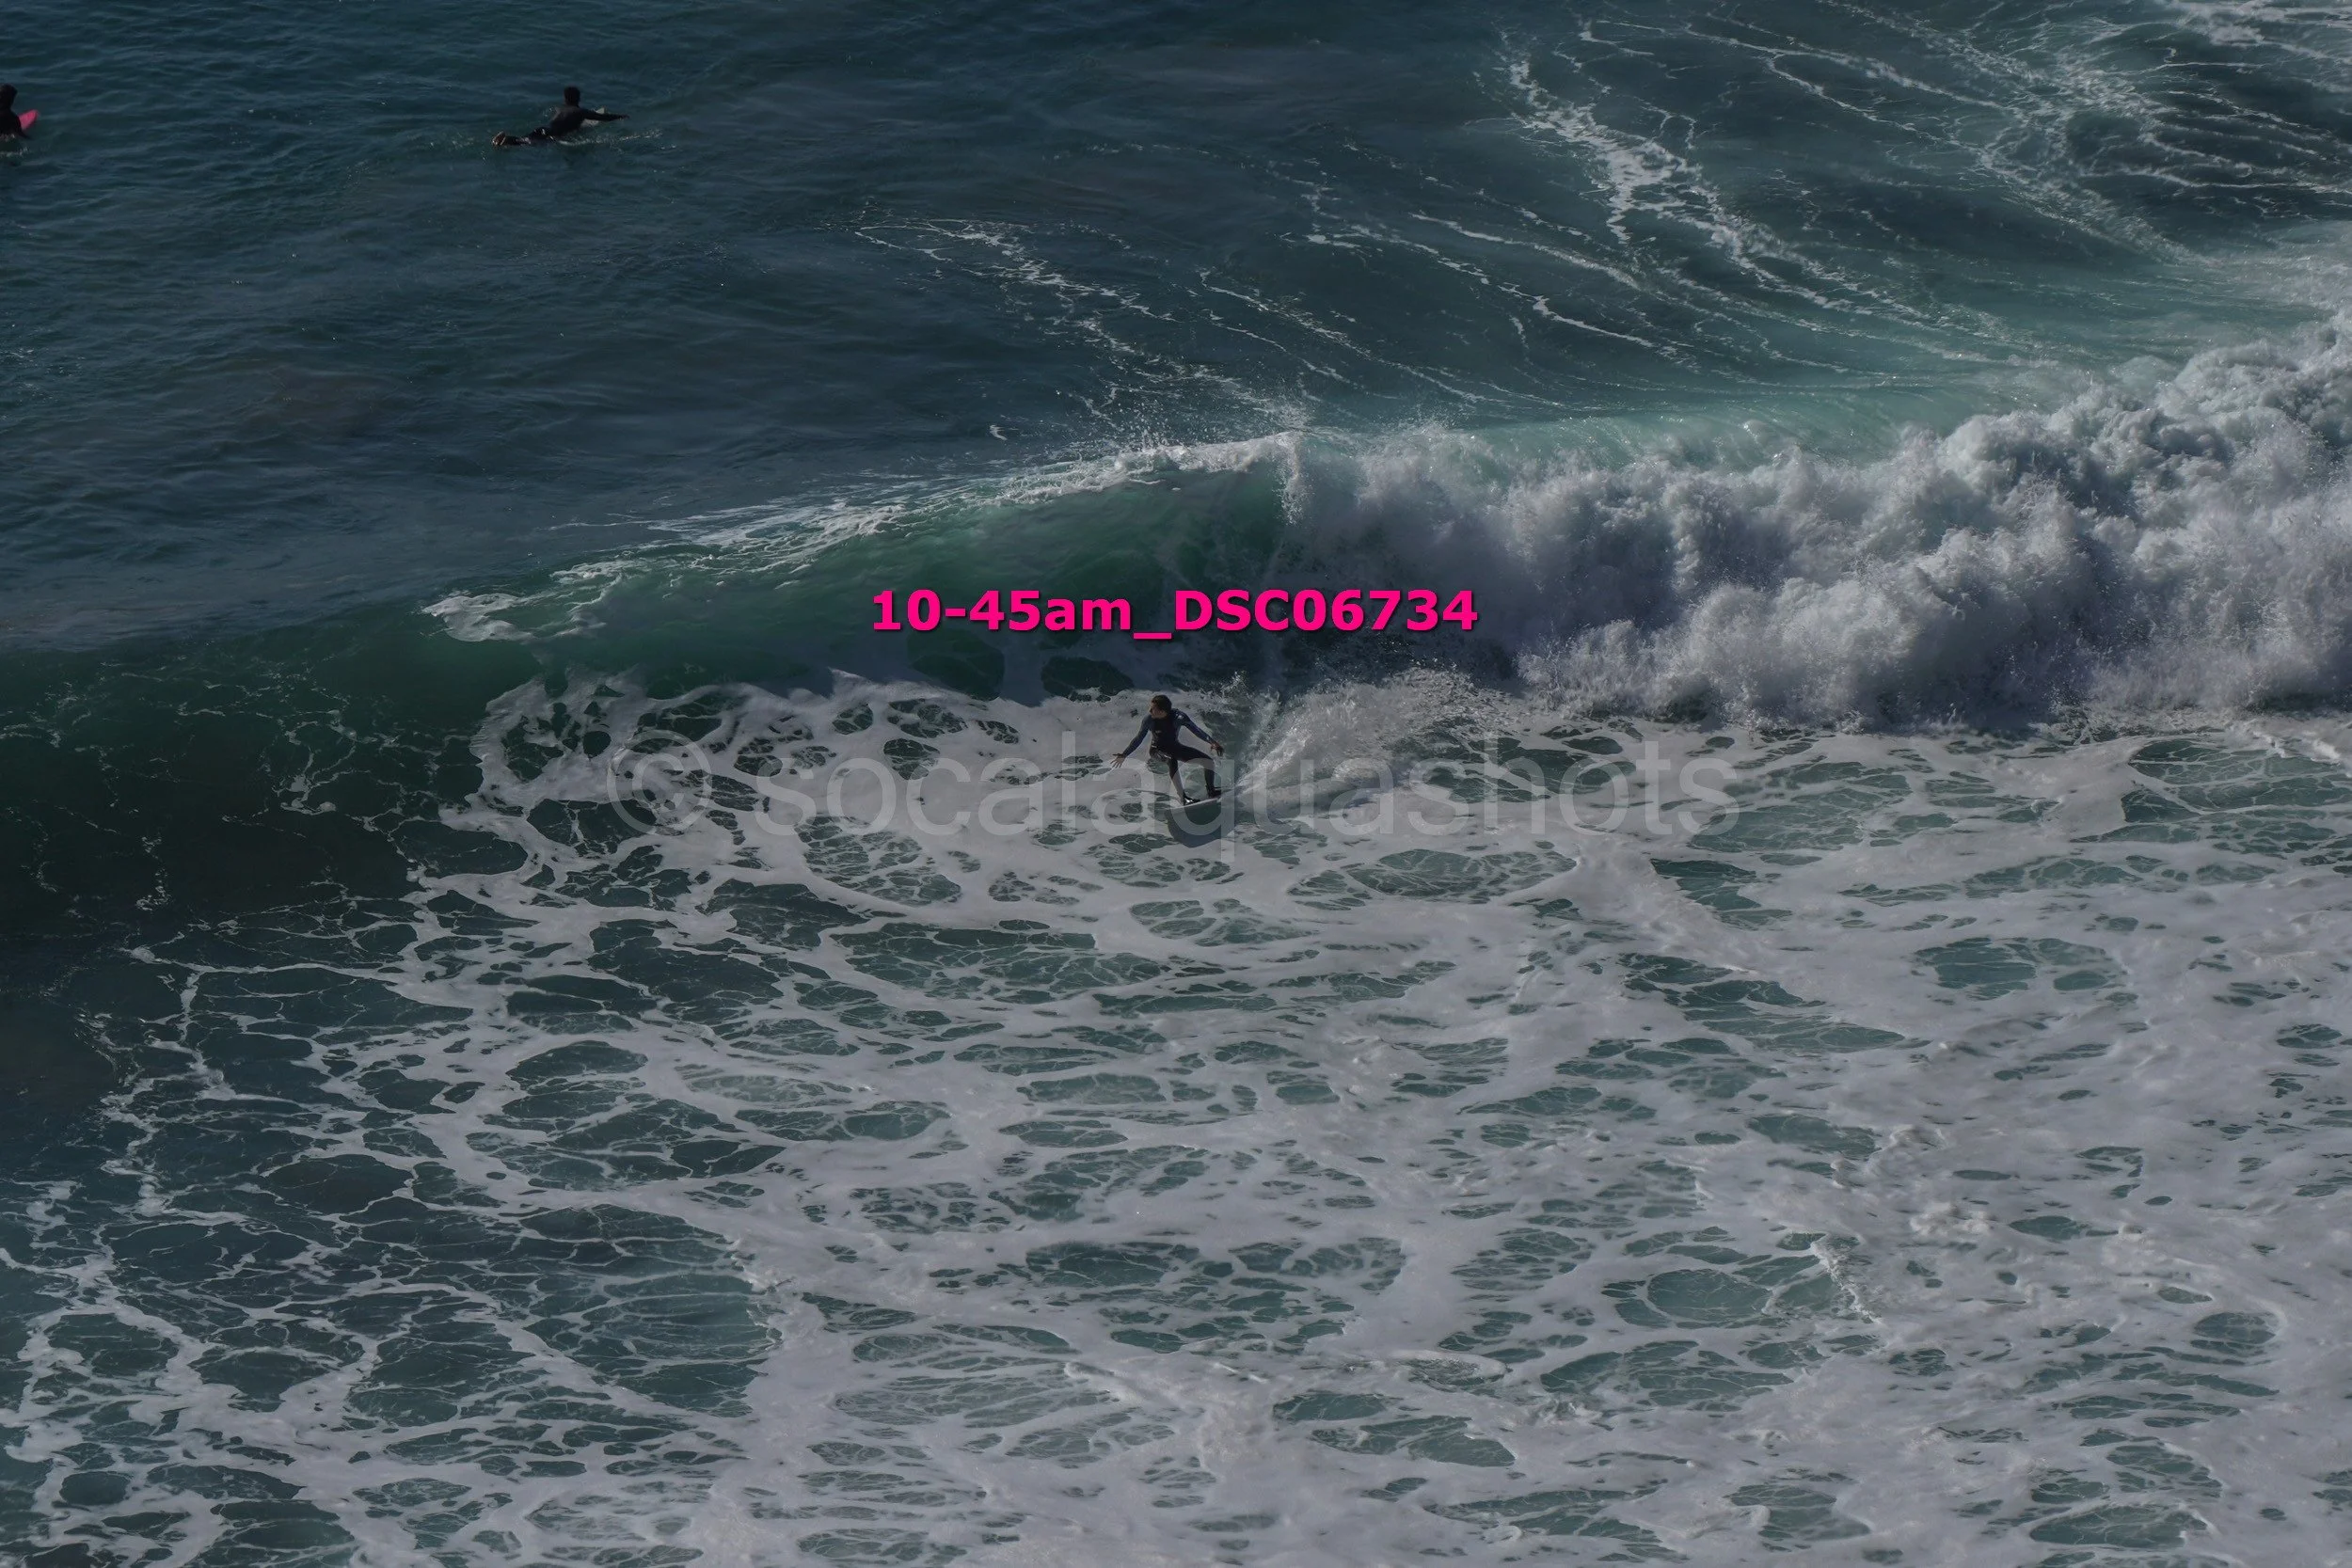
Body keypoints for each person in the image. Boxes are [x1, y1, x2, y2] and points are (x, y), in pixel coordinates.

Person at [1114, 695, 1223, 803]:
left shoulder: (1179, 717)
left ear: (1162, 711)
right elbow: (1139, 738)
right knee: (1172, 760)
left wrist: (1212, 742)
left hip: (1175, 747)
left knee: (1208, 761)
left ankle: (1211, 791)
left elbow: (1196, 730)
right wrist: (1125, 754)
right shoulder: (1149, 720)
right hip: (1157, 750)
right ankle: (1183, 798)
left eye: (1153, 709)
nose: (1149, 710)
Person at [494, 87, 626, 147]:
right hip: (553, 135)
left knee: (524, 139)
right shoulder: (581, 112)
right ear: (578, 98)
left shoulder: (559, 108)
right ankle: (505, 141)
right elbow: (603, 118)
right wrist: (621, 116)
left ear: (564, 98)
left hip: (543, 128)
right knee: (529, 144)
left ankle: (504, 140)